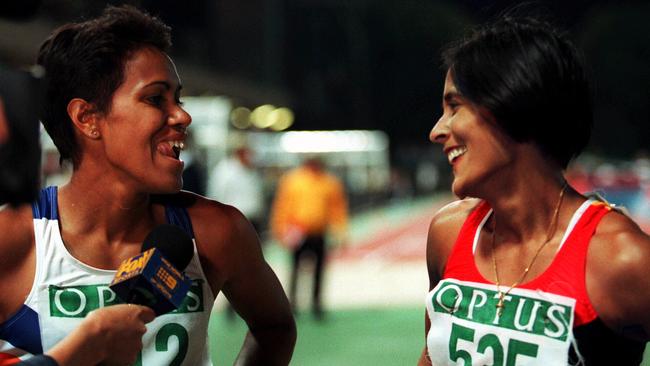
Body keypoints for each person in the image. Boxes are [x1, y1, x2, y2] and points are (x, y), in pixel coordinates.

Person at [0, 5, 295, 365]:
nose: (183, 115)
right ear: (88, 118)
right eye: (156, 98)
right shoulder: (12, 240)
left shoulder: (218, 231)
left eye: (178, 98)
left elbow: (275, 328)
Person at [418, 16, 650, 366]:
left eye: (454, 107)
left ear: (510, 104)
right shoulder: (447, 234)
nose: (437, 130)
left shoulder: (622, 259)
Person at [270, 156, 348, 319]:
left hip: (318, 233)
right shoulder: (292, 180)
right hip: (297, 233)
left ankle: (317, 304)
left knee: (319, 270)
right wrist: (280, 229)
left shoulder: (329, 182)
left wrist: (340, 231)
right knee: (295, 270)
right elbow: (283, 205)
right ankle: (292, 304)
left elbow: (337, 209)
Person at [207, 146, 265, 233]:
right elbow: (216, 196)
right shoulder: (225, 171)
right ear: (240, 152)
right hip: (233, 221)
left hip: (252, 221)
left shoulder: (252, 170)